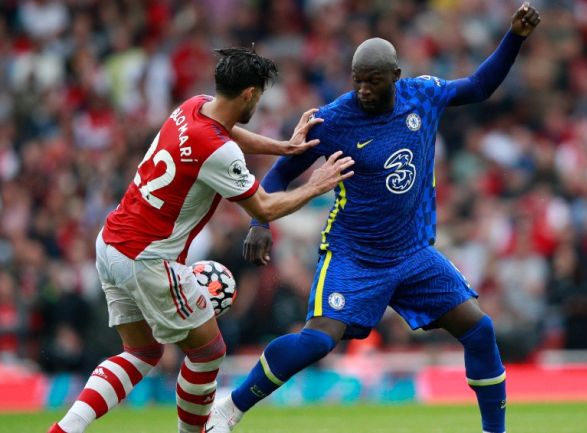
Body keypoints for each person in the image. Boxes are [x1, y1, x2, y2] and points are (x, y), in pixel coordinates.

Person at [206, 3, 541, 433]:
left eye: (373, 80)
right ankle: (228, 409)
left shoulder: (423, 94)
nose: (363, 89)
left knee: (479, 328)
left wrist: (514, 37)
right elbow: (281, 171)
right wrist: (259, 223)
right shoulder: (333, 119)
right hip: (354, 255)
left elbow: (479, 86)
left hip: (413, 253)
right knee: (316, 341)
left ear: (395, 76)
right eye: (357, 80)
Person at [48, 47, 355, 433]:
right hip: (148, 258)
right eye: (258, 96)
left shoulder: (193, 107)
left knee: (142, 352)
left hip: (111, 244)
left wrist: (283, 147)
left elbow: (228, 133)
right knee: (209, 350)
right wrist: (316, 185)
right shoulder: (218, 150)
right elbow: (264, 208)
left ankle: (64, 429)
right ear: (249, 94)